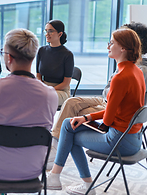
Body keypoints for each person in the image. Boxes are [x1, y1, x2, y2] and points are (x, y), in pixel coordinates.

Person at [47, 28, 145, 195]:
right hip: (133, 138)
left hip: (119, 141)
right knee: (68, 124)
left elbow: (107, 121)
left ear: (123, 48)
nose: (108, 46)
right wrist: (86, 117)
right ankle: (57, 176)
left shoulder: (120, 77)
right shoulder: (137, 71)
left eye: (112, 43)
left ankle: (74, 182)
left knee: (71, 133)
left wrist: (91, 121)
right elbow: (114, 110)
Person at [0, 28, 58, 181]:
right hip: (33, 169)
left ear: (9, 58)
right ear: (32, 57)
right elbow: (47, 129)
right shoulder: (49, 94)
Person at [36, 19, 74, 107]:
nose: (47, 34)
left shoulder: (68, 54)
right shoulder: (41, 50)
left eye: (50, 31)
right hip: (44, 88)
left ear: (60, 34)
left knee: (43, 98)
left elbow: (66, 83)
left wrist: (49, 89)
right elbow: (38, 76)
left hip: (61, 91)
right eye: (46, 31)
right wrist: (42, 87)